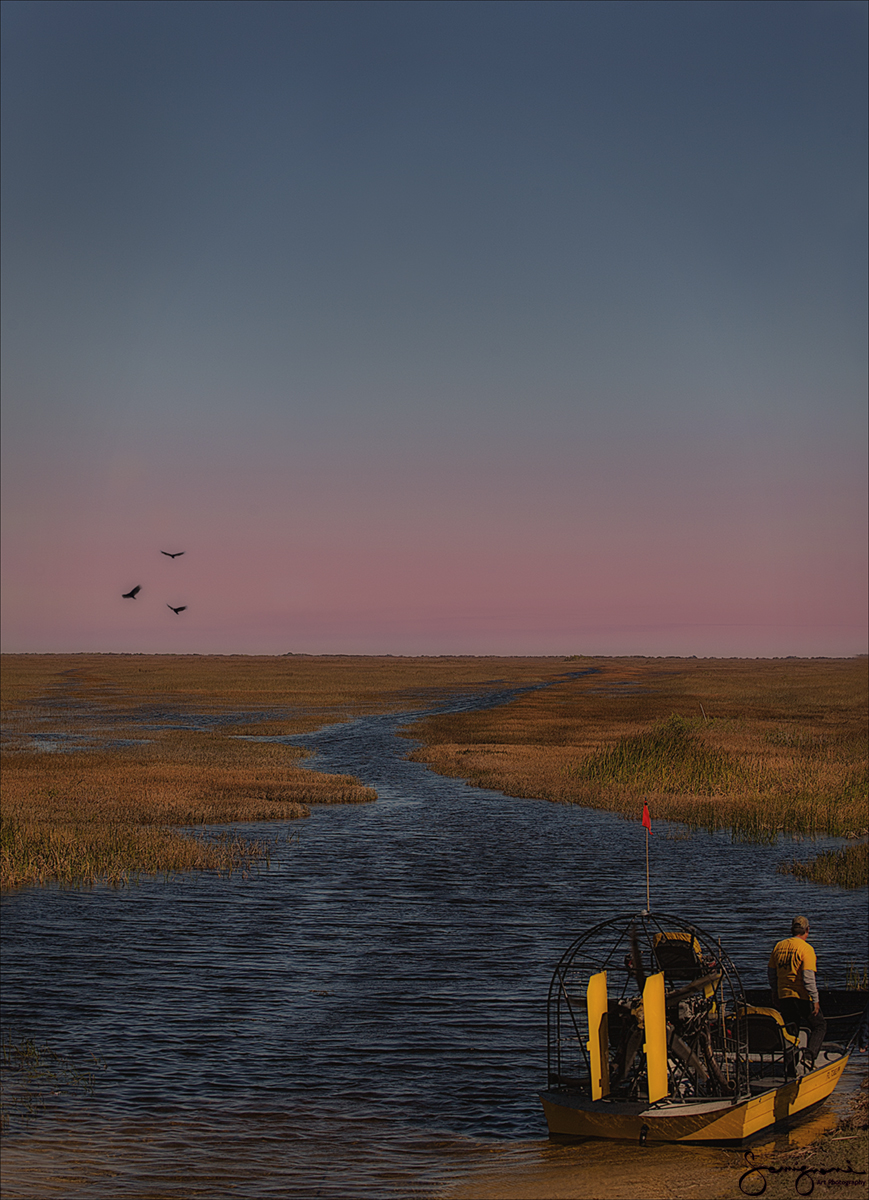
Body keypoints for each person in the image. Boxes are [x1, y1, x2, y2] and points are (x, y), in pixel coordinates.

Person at [768, 915, 827, 1071]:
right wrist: (815, 999)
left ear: (791, 929)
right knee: (820, 1025)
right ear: (807, 930)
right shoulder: (806, 949)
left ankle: (790, 1067)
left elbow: (771, 972)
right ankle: (809, 1057)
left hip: (784, 995)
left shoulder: (779, 946)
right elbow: (808, 978)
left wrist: (774, 991)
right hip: (802, 996)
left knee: (791, 1031)